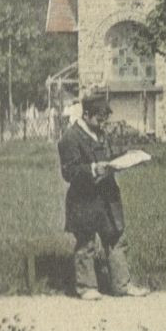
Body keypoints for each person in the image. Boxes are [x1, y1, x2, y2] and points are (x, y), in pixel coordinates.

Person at [57, 95, 147, 299]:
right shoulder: (70, 139)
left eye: (105, 118)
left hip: (107, 195)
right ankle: (86, 287)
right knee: (86, 242)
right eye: (99, 118)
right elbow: (69, 172)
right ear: (86, 115)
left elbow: (110, 155)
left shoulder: (101, 133)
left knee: (115, 238)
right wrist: (92, 169)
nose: (103, 123)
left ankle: (122, 284)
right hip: (84, 198)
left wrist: (128, 156)